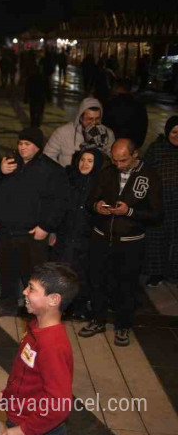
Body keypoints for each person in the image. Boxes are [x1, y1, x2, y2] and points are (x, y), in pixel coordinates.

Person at [79, 139, 162, 346]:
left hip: (130, 242)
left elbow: (157, 215)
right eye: (115, 160)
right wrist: (96, 206)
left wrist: (129, 212)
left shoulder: (150, 176)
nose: (119, 165)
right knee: (97, 280)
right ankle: (98, 319)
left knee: (126, 285)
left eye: (123, 160)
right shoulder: (107, 172)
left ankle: (123, 326)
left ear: (136, 154)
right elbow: (90, 200)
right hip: (101, 237)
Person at [0, 128, 69, 317]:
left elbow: (59, 202)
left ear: (38, 147)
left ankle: (34, 309)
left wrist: (47, 227)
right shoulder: (10, 163)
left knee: (33, 275)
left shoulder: (51, 170)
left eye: (27, 144)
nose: (22, 148)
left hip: (32, 232)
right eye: (20, 143)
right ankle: (7, 304)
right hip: (7, 230)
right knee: (6, 270)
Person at [0, 262, 78, 435]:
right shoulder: (36, 327)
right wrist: (5, 397)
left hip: (39, 427)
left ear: (54, 299)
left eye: (31, 288)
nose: (24, 292)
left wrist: (21, 430)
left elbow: (59, 405)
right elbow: (27, 379)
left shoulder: (52, 346)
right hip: (23, 415)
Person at [54, 148, 103, 320]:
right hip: (66, 235)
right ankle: (63, 306)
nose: (84, 164)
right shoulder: (69, 179)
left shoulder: (100, 184)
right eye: (82, 159)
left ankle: (81, 306)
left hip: (86, 238)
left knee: (82, 273)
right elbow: (59, 208)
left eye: (90, 161)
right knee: (63, 272)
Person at [143, 117, 178, 287]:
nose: (177, 136)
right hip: (159, 203)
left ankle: (174, 272)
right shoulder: (156, 148)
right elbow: (144, 171)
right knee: (157, 240)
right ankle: (156, 273)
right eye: (174, 132)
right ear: (167, 132)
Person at [44, 97, 115, 167]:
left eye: (97, 119)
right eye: (90, 119)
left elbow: (112, 160)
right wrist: (61, 173)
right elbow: (48, 156)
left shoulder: (108, 134)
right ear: (81, 118)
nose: (94, 123)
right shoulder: (63, 132)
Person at [103, 79, 149, 150]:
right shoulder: (140, 104)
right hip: (133, 144)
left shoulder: (111, 103)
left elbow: (105, 124)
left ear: (118, 88)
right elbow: (143, 125)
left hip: (113, 144)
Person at [25, 63, 48, 128]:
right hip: (41, 97)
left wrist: (26, 98)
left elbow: (27, 89)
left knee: (33, 110)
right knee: (40, 110)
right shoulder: (44, 78)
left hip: (33, 97)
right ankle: (37, 121)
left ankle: (33, 122)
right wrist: (49, 97)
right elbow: (47, 89)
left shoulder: (31, 78)